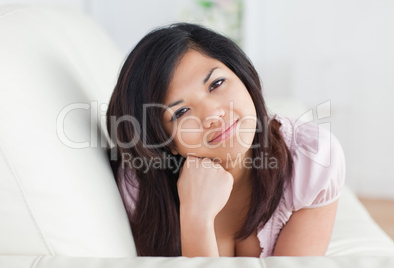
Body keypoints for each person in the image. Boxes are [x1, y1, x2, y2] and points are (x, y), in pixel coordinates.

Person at [106, 23, 345, 257]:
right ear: (168, 142)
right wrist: (196, 217)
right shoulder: (140, 185)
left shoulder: (312, 157)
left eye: (216, 84)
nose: (212, 115)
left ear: (242, 76)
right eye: (180, 112)